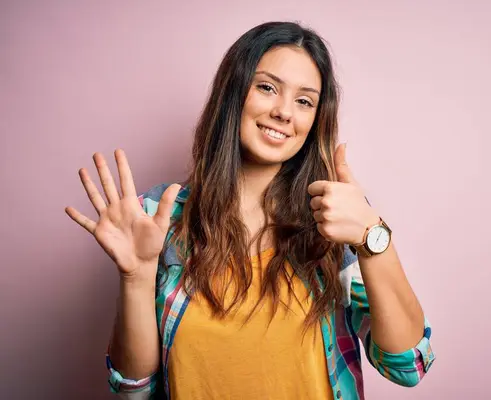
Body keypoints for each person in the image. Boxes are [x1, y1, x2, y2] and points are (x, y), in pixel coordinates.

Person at [65, 21, 435, 400]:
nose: (284, 112)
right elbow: (133, 389)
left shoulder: (338, 219)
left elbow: (408, 365)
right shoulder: (159, 219)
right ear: (233, 93)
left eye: (304, 101)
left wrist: (373, 237)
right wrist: (136, 277)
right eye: (267, 87)